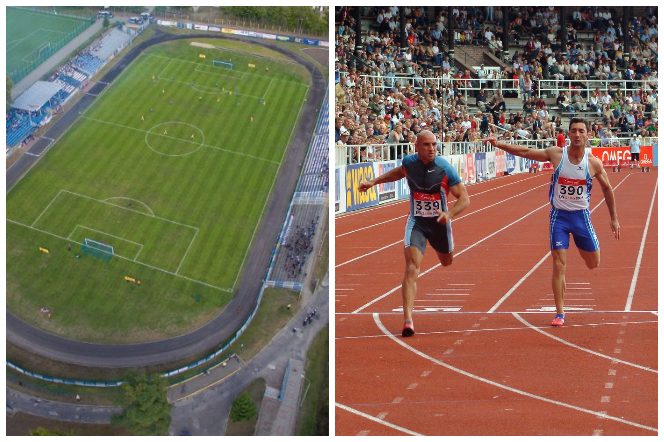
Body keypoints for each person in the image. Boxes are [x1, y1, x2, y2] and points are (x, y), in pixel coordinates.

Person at [485, 118, 619, 326]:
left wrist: (614, 218)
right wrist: (499, 144)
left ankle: (582, 249)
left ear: (587, 135)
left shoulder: (593, 163)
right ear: (568, 134)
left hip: (581, 217)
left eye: (581, 131)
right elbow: (525, 152)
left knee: (593, 263)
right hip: (559, 217)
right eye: (573, 131)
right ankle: (560, 313)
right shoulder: (557, 154)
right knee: (558, 264)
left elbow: (608, 188)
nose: (577, 134)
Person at [358, 131, 470, 336]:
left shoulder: (445, 169)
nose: (432, 148)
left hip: (439, 224)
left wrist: (450, 213)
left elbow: (464, 198)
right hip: (417, 223)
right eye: (427, 144)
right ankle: (408, 320)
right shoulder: (409, 163)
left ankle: (439, 247)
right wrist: (373, 182)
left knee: (447, 262)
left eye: (434, 144)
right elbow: (398, 173)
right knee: (411, 268)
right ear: (416, 146)